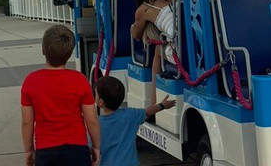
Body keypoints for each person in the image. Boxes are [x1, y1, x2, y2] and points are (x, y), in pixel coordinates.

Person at [20, 24, 101, 166]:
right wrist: (96, 146)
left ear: (43, 50)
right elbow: (92, 119)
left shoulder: (31, 81)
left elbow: (27, 122)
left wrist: (28, 150)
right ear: (70, 53)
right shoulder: (80, 80)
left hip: (46, 150)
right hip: (77, 148)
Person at [93, 76, 174, 166]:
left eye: (95, 93)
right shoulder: (130, 115)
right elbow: (148, 111)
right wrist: (162, 105)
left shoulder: (95, 124)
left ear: (101, 102)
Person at [128, 0, 175, 106]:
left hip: (178, 51)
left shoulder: (144, 9)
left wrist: (134, 27)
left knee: (157, 53)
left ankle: (154, 102)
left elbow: (136, 36)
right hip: (194, 44)